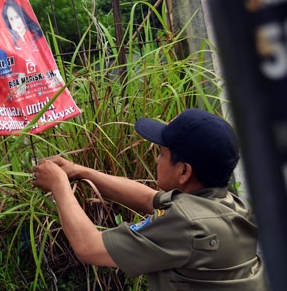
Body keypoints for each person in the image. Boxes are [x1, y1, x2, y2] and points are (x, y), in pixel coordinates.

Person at [32, 108, 268, 290]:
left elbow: (89, 247)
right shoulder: (227, 204)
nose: (156, 160)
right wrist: (80, 171)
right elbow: (148, 198)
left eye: (161, 154)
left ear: (184, 172)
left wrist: (59, 184)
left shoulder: (186, 222)